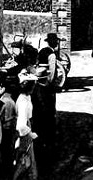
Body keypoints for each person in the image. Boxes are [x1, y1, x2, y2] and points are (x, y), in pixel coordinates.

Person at [34, 33, 60, 171]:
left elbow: (37, 64)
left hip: (39, 83)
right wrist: (50, 84)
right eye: (55, 41)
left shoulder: (41, 51)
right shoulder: (52, 54)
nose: (56, 43)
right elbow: (53, 71)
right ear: (53, 42)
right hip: (47, 86)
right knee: (49, 111)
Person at [14, 73, 38, 180]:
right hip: (24, 134)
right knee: (24, 160)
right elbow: (21, 125)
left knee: (27, 160)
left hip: (28, 127)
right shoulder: (23, 101)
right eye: (32, 85)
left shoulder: (27, 97)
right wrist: (30, 134)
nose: (34, 87)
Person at [0, 76, 18, 180]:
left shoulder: (5, 102)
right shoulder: (9, 100)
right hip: (9, 133)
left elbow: (2, 121)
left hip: (5, 134)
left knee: (5, 159)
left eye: (1, 86)